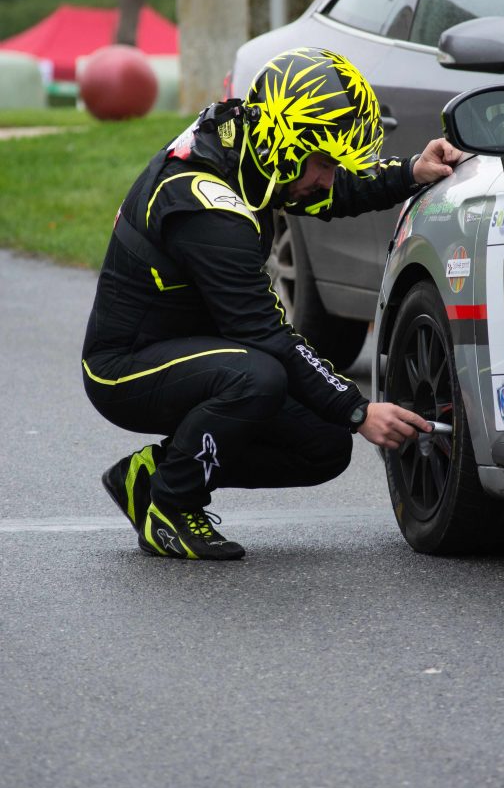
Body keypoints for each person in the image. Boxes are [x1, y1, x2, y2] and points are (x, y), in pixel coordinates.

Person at [82, 47, 461, 560]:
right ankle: (170, 505)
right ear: (287, 143)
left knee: (324, 447)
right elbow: (264, 333)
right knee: (257, 375)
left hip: (194, 347)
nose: (328, 175)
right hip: (124, 367)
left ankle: (153, 474)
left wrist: (411, 171)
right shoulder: (204, 204)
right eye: (324, 161)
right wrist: (358, 409)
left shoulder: (250, 146)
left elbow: (329, 192)